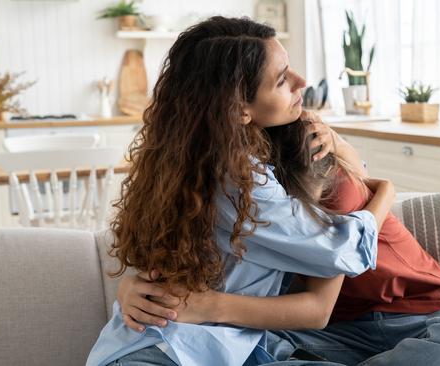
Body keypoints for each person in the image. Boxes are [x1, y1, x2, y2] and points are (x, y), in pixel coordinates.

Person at [86, 15, 394, 366]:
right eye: (281, 80)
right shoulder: (238, 177)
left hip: (165, 348)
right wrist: (387, 191)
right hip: (167, 353)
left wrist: (339, 146)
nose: (301, 82)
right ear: (239, 109)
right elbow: (342, 248)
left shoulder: (190, 161)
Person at [122, 120, 440, 366]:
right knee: (247, 347)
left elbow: (324, 291)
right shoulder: (249, 197)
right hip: (330, 336)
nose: (298, 87)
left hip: (422, 318)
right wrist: (132, 288)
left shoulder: (328, 183)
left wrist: (375, 185)